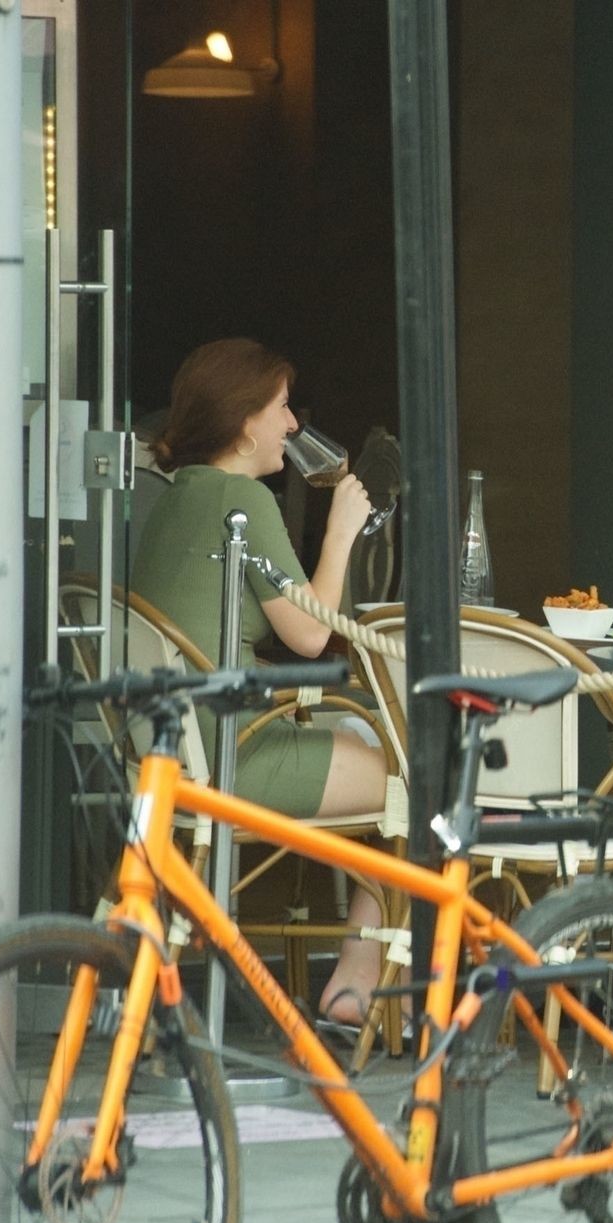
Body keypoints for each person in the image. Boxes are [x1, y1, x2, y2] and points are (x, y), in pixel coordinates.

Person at [133, 337, 391, 1029]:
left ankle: (349, 975)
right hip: (228, 756)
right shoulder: (243, 498)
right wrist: (341, 531)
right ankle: (355, 982)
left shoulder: (176, 498)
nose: (293, 424)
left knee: (361, 739)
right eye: (281, 407)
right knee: (417, 783)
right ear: (245, 422)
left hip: (165, 751)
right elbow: (310, 634)